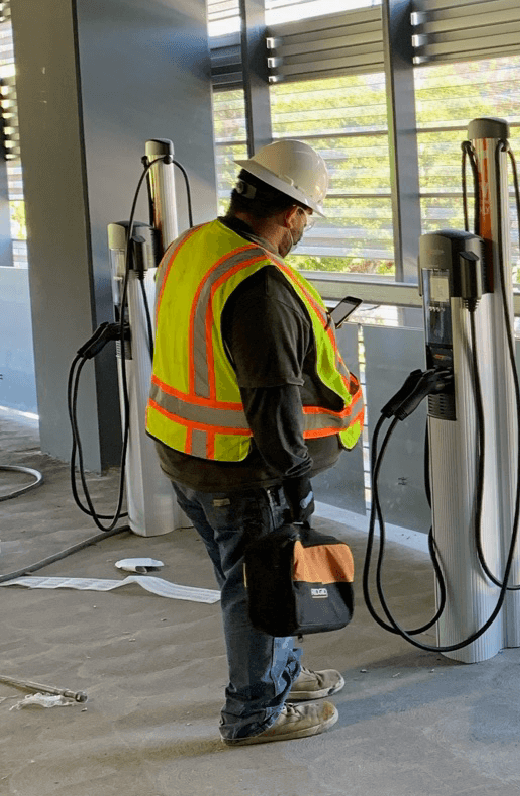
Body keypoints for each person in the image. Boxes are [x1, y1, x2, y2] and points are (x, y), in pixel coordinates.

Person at [145, 139, 365, 746]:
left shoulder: (194, 246)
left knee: (252, 582)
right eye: (306, 219)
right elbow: (272, 402)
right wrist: (296, 484)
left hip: (185, 453)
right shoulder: (260, 285)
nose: (303, 230)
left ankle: (279, 676)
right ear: (293, 212)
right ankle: (252, 714)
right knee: (253, 591)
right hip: (242, 472)